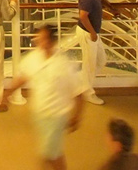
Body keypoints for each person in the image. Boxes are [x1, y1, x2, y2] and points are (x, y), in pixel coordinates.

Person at [5, 22, 85, 170]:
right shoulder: (34, 58)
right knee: (53, 151)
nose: (37, 41)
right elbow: (24, 77)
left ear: (51, 41)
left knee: (49, 153)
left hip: (56, 115)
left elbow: (78, 92)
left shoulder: (63, 63)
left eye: (41, 38)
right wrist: (8, 92)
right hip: (40, 114)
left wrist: (77, 116)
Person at [77, 0, 107, 105]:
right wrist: (92, 32)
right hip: (88, 33)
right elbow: (83, 16)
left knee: (101, 60)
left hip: (93, 33)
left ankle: (82, 85)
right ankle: (87, 92)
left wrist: (108, 4)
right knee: (90, 64)